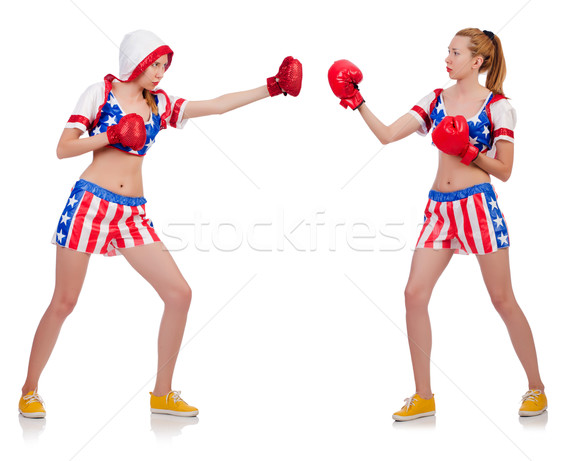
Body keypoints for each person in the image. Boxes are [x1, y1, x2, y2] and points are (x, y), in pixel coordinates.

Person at [19, 30, 302, 418]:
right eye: (155, 64)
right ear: (136, 60)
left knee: (179, 293)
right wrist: (110, 134)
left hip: (132, 212)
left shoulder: (160, 104)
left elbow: (215, 106)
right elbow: (63, 148)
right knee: (64, 301)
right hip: (88, 205)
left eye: (164, 67)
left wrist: (271, 88)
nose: (160, 73)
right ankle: (29, 390)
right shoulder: (99, 94)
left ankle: (162, 394)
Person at [328, 28, 546, 420]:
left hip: (478, 206)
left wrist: (467, 150)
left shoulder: (498, 107)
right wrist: (357, 101)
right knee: (414, 294)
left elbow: (506, 171)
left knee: (502, 300)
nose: (447, 58)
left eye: (455, 52)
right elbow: (388, 135)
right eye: (447, 51)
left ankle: (536, 388)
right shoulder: (435, 100)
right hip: (439, 209)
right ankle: (423, 396)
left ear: (477, 61)